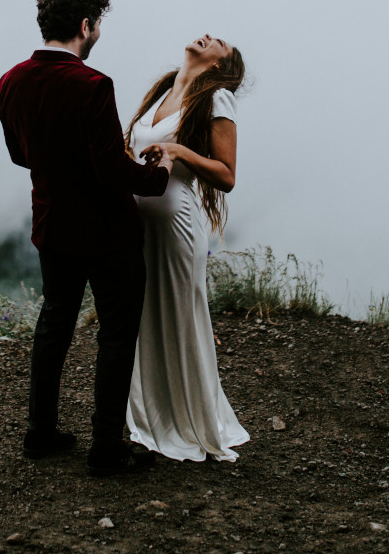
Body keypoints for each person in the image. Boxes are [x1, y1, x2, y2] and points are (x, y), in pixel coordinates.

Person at [0, 0, 174, 476]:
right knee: (117, 334)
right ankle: (105, 448)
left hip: (52, 225)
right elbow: (110, 174)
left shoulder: (10, 80)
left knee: (54, 324)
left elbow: (19, 154)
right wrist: (157, 175)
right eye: (98, 25)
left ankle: (41, 432)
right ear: (85, 26)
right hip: (107, 232)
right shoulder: (93, 85)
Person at [125, 34, 250, 462]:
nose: (210, 36)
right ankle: (152, 419)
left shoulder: (216, 100)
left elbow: (226, 174)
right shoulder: (163, 91)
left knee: (179, 319)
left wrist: (178, 150)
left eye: (221, 43)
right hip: (137, 225)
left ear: (221, 66)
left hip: (176, 224)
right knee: (143, 321)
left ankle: (193, 422)